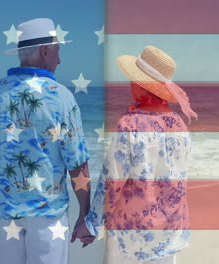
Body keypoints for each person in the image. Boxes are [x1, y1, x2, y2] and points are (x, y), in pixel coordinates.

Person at [0, 18, 95, 264]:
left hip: (3, 215)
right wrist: (85, 214)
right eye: (57, 51)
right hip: (48, 216)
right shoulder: (61, 97)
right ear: (45, 50)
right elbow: (77, 164)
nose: (59, 60)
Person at [84, 46, 198, 263]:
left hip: (131, 234)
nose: (130, 84)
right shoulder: (180, 124)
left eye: (133, 80)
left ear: (141, 86)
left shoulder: (131, 124)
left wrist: (92, 222)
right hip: (171, 229)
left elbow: (112, 180)